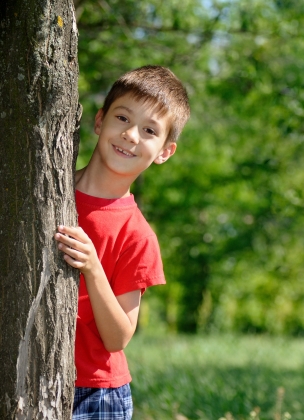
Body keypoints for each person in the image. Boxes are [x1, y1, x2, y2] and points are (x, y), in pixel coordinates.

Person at [54, 65, 190, 419]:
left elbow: (117, 339)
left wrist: (92, 266)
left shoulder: (138, 235)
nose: (130, 135)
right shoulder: (50, 191)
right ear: (99, 122)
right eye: (122, 118)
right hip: (25, 372)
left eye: (149, 130)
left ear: (164, 152)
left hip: (95, 395)